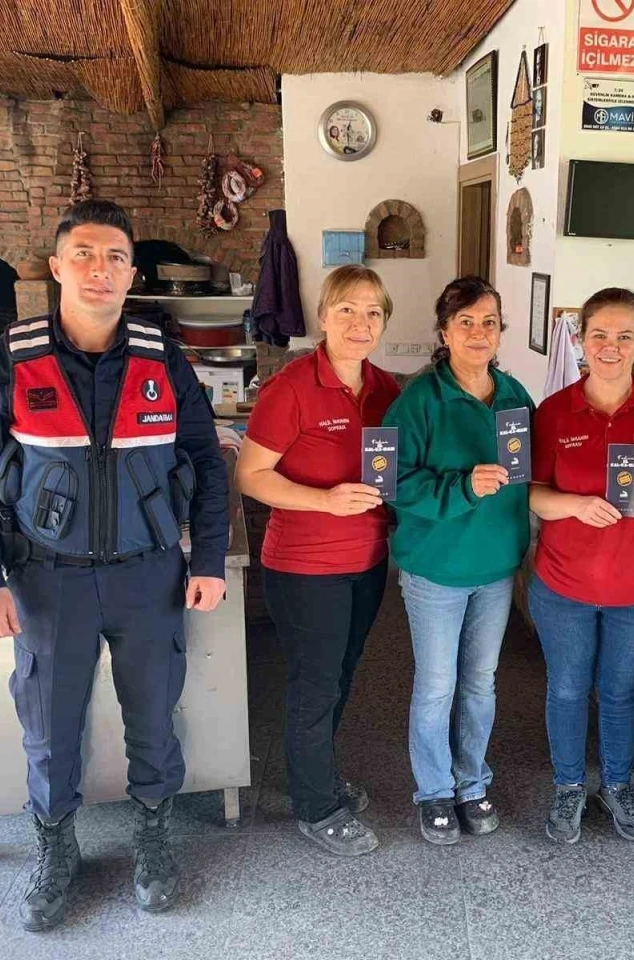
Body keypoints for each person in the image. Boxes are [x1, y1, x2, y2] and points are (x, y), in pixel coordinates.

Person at [0, 200, 229, 931]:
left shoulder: (164, 358)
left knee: (154, 717)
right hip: (46, 578)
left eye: (114, 258)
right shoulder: (9, 358)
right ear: (57, 266)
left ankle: (153, 839)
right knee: (48, 725)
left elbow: (207, 461)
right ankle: (56, 848)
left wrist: (209, 559)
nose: (99, 270)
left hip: (149, 575)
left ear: (131, 274)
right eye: (84, 254)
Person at [237, 264, 400, 857]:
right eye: (347, 310)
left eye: (373, 312)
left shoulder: (386, 389)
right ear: (325, 317)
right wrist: (324, 500)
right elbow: (250, 475)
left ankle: (316, 774)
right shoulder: (291, 388)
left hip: (368, 561)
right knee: (316, 683)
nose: (361, 323)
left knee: (343, 675)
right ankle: (315, 805)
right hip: (305, 567)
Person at [528, 288, 634, 844]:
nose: (611, 346)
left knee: (621, 691)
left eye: (625, 336)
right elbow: (533, 494)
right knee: (567, 690)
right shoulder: (554, 411)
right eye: (599, 334)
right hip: (563, 586)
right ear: (581, 339)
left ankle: (618, 785)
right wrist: (575, 505)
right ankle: (569, 786)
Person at [383, 277, 535, 845]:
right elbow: (389, 482)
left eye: (488, 322)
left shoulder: (516, 396)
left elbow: (533, 475)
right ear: (444, 332)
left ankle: (471, 781)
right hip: (436, 569)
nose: (478, 333)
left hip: (496, 569)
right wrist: (463, 486)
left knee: (480, 683)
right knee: (437, 686)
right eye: (465, 322)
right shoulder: (417, 400)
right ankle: (434, 791)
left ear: (500, 332)